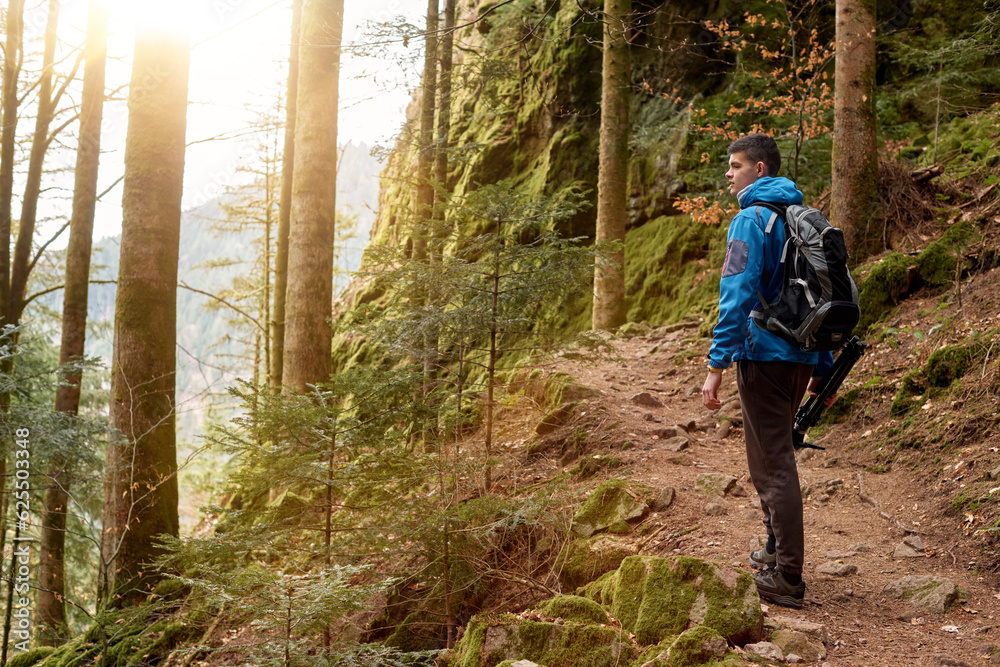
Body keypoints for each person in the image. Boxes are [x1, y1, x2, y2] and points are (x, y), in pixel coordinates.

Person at [700, 133, 833, 609]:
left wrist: (717, 364)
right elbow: (822, 297)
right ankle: (776, 551)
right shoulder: (805, 219)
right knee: (776, 457)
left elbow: (735, 295)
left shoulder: (750, 220)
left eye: (735, 166)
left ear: (759, 170)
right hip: (799, 358)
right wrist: (822, 365)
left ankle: (789, 579)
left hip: (765, 358)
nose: (729, 175)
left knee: (772, 464)